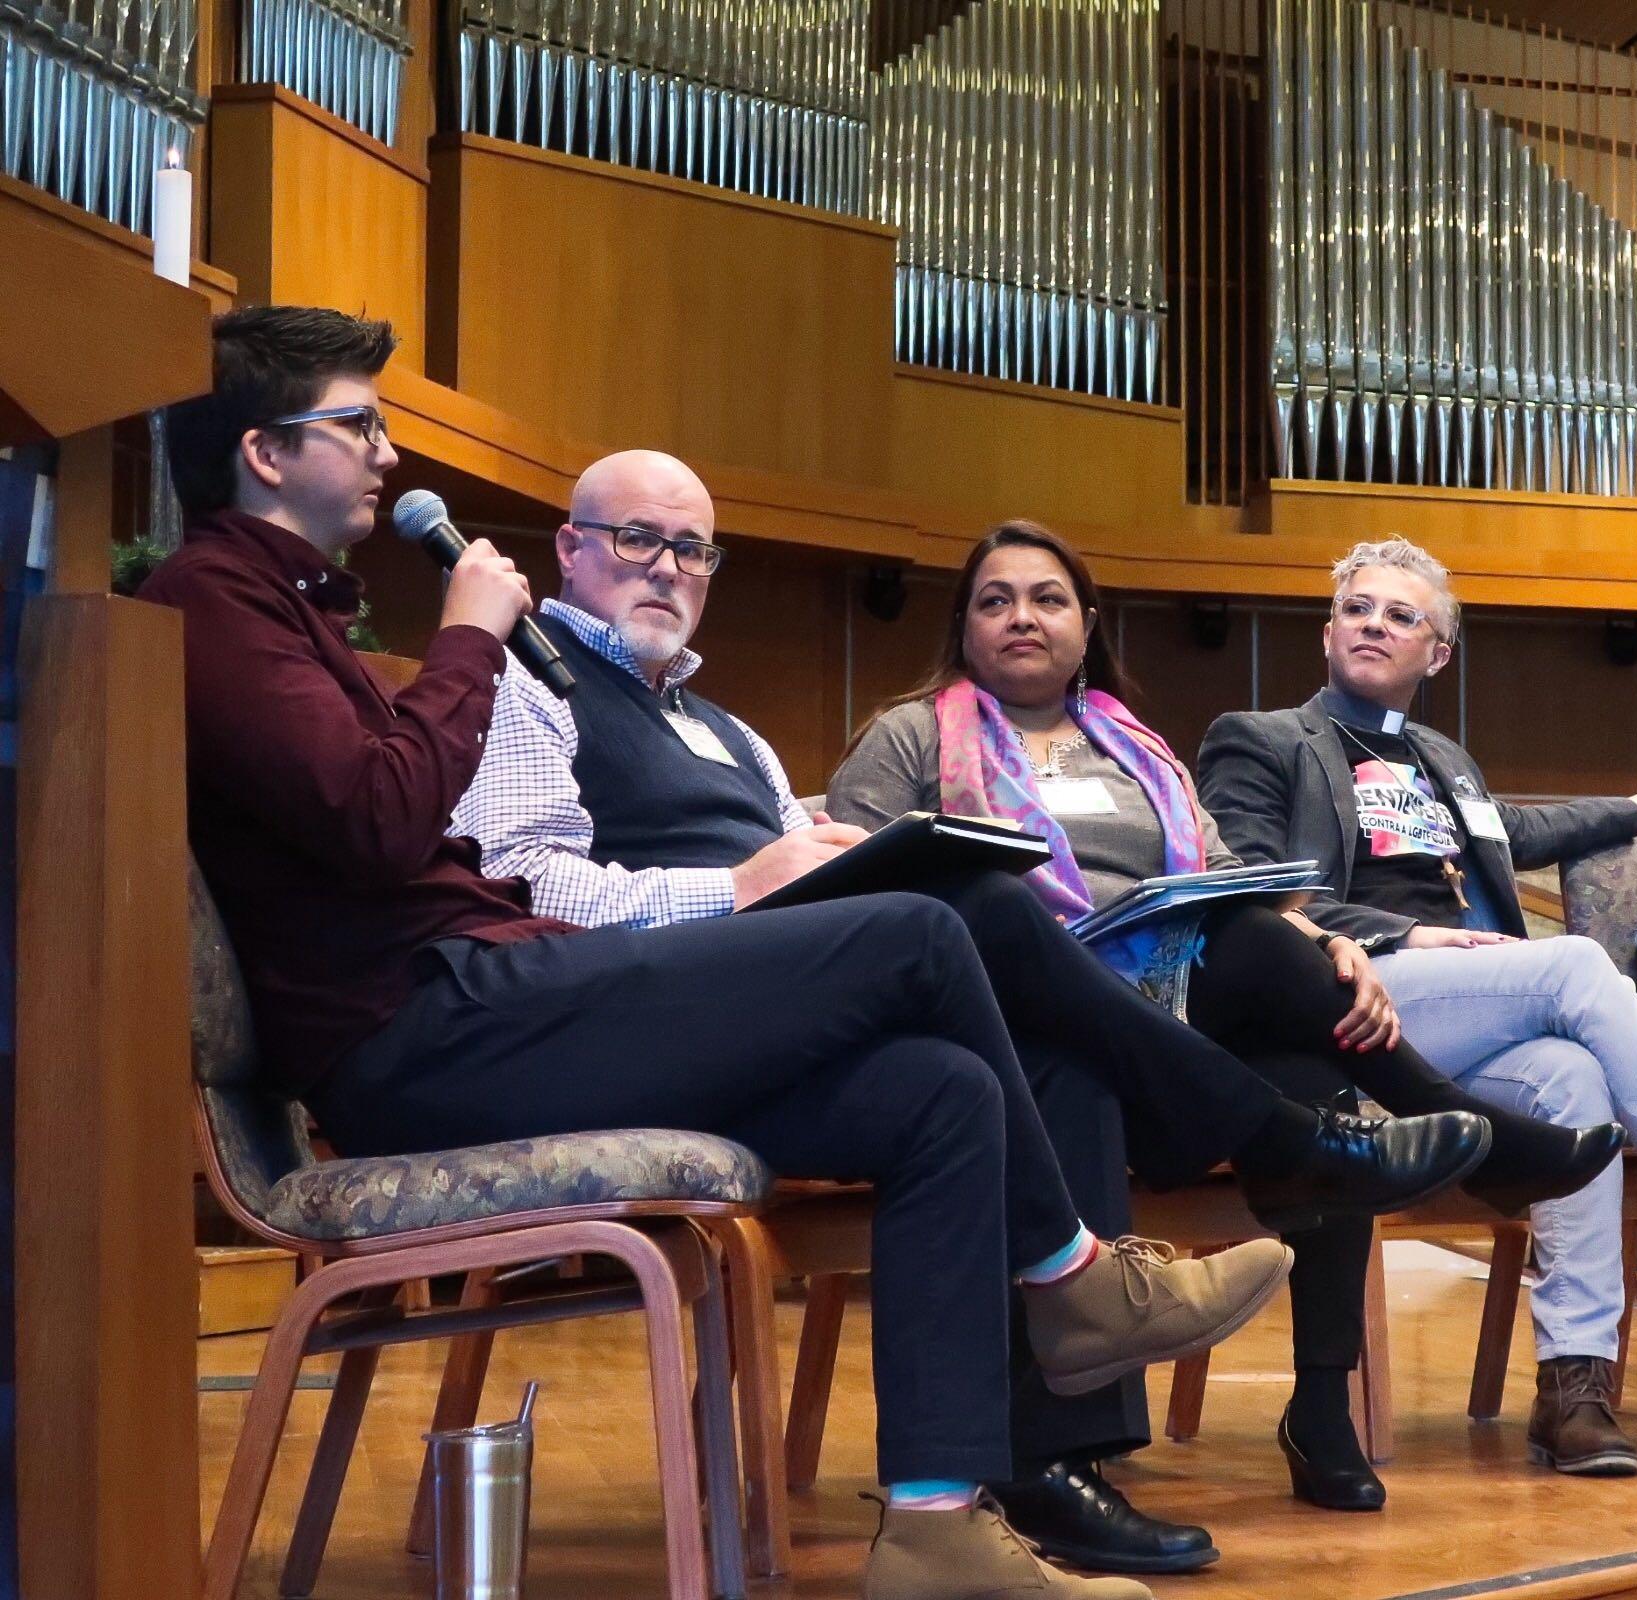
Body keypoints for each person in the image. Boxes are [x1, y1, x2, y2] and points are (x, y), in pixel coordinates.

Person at [143, 306, 1303, 1600]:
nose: (385, 452)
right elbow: (379, 819)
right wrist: (469, 634)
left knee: (944, 1091)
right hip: (426, 1031)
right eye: (357, 425)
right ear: (263, 451)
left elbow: (386, 824)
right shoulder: (212, 603)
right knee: (929, 927)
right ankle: (1084, 1271)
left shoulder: (298, 617)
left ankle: (934, 1527)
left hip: (488, 991)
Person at [450, 449, 1496, 1575]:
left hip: (779, 1010)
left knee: (1007, 1072)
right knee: (976, 912)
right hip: (645, 1012)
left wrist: (813, 867)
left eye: (691, 548)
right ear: (568, 549)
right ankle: (1266, 1153)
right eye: (634, 540)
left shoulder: (731, 732)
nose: (666, 568)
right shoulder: (522, 685)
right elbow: (518, 886)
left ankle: (973, 1501)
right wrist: (742, 887)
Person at [829, 520, 1626, 1512]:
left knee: (1299, 1043)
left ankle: (1323, 1407)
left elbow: (1230, 881)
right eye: (996, 600)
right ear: (965, 625)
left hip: (1175, 1026)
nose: (1022, 617)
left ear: (1087, 624)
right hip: (1019, 1021)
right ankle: (1478, 1146)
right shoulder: (911, 736)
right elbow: (855, 895)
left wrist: (1332, 941)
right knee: (1280, 1060)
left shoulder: (1134, 746)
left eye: (1047, 597)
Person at [1196, 536, 1637, 1476]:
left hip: (1455, 1019)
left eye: (1402, 614)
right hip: (1347, 1001)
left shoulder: (1440, 759)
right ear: (1329, 629)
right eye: (1358, 608)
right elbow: (1256, 893)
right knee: (1577, 967)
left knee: (1574, 1077)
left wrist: (1628, 809)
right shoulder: (1264, 740)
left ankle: (1574, 1390)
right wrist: (1411, 938)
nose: (1375, 624)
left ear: (1438, 654)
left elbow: (1515, 830)